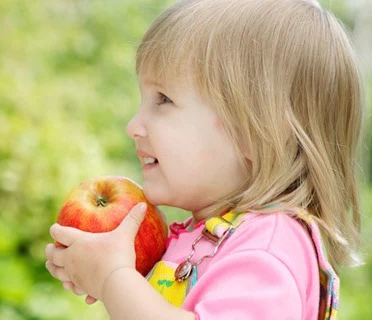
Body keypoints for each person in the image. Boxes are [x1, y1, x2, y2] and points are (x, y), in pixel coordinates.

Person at [45, 0, 365, 319]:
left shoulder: (269, 248)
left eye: (164, 100)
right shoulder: (207, 238)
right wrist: (105, 273)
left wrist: (113, 278)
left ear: (253, 133)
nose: (134, 126)